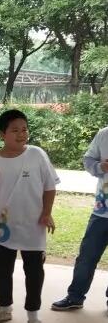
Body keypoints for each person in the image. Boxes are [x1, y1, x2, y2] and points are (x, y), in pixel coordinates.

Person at [0, 110, 59, 323]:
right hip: (2, 228)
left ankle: (33, 316)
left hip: (33, 226)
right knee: (2, 270)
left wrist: (47, 213)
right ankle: (4, 308)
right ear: (2, 134)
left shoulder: (37, 154)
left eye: (24, 129)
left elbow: (49, 186)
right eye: (14, 130)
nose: (21, 134)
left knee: (34, 272)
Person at [52, 126, 108, 311]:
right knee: (87, 256)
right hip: (102, 211)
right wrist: (101, 167)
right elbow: (88, 159)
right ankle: (75, 296)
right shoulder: (104, 134)